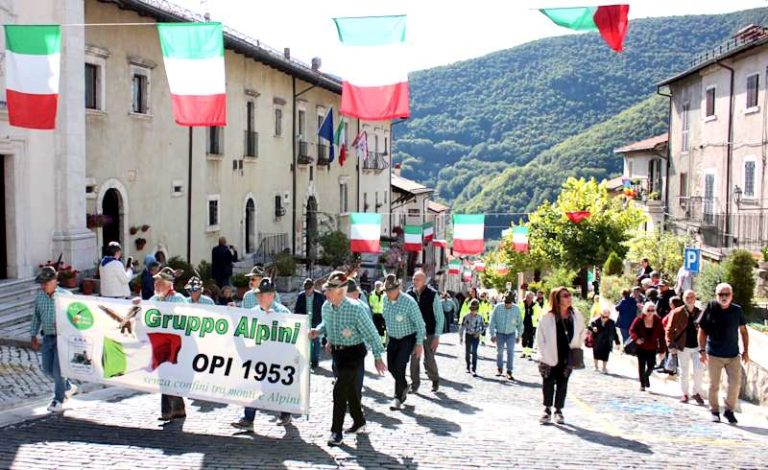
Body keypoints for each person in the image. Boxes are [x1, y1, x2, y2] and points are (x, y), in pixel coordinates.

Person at [308, 272, 386, 447]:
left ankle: (336, 432)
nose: (326, 293)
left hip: (354, 353)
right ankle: (359, 421)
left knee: (339, 390)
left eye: (330, 290)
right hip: (337, 354)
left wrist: (378, 357)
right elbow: (325, 324)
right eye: (326, 289)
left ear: (340, 291)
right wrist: (317, 331)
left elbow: (372, 333)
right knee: (350, 389)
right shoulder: (326, 307)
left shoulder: (356, 309)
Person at [232, 278, 295, 430]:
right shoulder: (253, 312)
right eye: (259, 295)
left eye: (264, 295)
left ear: (272, 295)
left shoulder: (282, 312)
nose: (260, 297)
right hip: (259, 355)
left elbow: (291, 334)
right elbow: (243, 330)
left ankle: (286, 413)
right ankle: (248, 419)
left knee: (278, 386)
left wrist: (276, 321)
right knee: (253, 386)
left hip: (278, 357)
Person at [698, 283, 750, 424]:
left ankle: (729, 411)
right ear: (716, 295)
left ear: (732, 296)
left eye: (727, 294)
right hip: (714, 353)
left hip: (733, 354)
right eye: (721, 294)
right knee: (713, 384)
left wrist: (746, 351)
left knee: (735, 384)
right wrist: (701, 350)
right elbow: (702, 331)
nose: (724, 297)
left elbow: (744, 331)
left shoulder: (737, 310)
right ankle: (714, 411)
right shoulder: (710, 308)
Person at [30, 266, 76, 413]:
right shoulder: (40, 297)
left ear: (55, 281)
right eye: (41, 283)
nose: (43, 286)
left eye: (45, 283)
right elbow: (36, 317)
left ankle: (58, 399)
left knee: (58, 370)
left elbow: (76, 318)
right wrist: (33, 335)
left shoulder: (66, 296)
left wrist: (64, 323)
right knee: (47, 369)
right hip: (47, 337)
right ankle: (67, 386)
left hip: (62, 338)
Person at [536, 287, 585, 425]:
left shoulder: (575, 315)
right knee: (548, 383)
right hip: (549, 355)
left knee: (563, 383)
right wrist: (544, 354)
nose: (569, 298)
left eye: (569, 295)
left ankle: (558, 410)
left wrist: (577, 344)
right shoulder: (547, 316)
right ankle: (547, 409)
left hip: (567, 355)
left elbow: (582, 331)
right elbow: (540, 337)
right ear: (557, 299)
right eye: (565, 296)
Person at [148, 267, 188, 420]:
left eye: (159, 282)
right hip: (159, 344)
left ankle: (169, 411)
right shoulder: (153, 300)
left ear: (168, 284)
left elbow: (187, 320)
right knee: (164, 375)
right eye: (155, 282)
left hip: (175, 344)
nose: (156, 285)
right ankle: (175, 409)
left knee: (169, 375)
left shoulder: (179, 300)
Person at [382, 274, 426, 410]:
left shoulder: (409, 302)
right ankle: (404, 385)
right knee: (391, 367)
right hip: (393, 338)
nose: (388, 293)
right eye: (386, 291)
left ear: (398, 288)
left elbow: (420, 324)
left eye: (391, 290)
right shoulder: (385, 300)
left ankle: (398, 397)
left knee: (400, 367)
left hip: (407, 338)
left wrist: (419, 344)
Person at [406, 271, 444, 393]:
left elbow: (439, 317)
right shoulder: (409, 294)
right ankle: (415, 383)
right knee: (414, 358)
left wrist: (437, 336)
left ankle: (434, 379)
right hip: (414, 332)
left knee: (429, 359)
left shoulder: (433, 294)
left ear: (424, 281)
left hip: (430, 332)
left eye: (417, 279)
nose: (414, 282)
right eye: (413, 279)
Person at [665, 290, 704, 404]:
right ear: (683, 298)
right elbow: (669, 329)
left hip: (697, 346)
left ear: (695, 298)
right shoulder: (677, 312)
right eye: (687, 297)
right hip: (683, 346)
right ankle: (685, 393)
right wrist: (670, 344)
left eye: (692, 297)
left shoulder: (700, 312)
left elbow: (706, 329)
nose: (690, 299)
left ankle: (696, 392)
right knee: (684, 371)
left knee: (699, 369)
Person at [629, 302, 666, 391]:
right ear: (645, 310)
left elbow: (661, 336)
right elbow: (632, 330)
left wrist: (662, 350)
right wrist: (636, 338)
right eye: (648, 310)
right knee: (641, 365)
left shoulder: (657, 320)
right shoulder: (639, 319)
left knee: (651, 365)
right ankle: (642, 384)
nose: (650, 312)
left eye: (652, 310)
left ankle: (646, 377)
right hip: (641, 346)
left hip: (652, 347)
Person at [488, 291, 523, 380]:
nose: (507, 305)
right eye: (506, 302)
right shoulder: (497, 308)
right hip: (500, 333)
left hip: (511, 333)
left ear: (512, 302)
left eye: (509, 303)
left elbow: (520, 324)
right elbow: (492, 322)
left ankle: (509, 371)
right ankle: (499, 368)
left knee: (510, 352)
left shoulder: (516, 309)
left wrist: (519, 336)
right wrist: (492, 335)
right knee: (499, 351)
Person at [295, 278, 324, 370]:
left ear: (313, 287)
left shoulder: (319, 296)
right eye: (306, 289)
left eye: (309, 288)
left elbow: (323, 309)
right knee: (306, 342)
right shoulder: (301, 296)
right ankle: (308, 360)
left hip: (316, 321)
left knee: (316, 342)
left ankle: (315, 361)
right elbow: (297, 310)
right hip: (305, 322)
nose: (307, 290)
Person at [589, 306, 620, 373]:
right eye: (603, 316)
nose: (605, 318)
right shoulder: (596, 321)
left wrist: (617, 343)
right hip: (597, 340)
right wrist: (593, 328)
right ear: (601, 315)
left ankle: (604, 367)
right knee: (596, 354)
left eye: (607, 317)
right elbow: (590, 326)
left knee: (605, 355)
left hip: (607, 341)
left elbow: (614, 333)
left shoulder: (612, 322)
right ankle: (596, 367)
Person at [459, 299, 485, 376]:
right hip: (468, 335)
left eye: (474, 310)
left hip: (476, 336)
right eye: (471, 309)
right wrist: (461, 337)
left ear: (477, 310)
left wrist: (479, 333)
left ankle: (474, 368)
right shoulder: (466, 317)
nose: (472, 311)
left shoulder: (480, 317)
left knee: (474, 352)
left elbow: (483, 328)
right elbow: (462, 326)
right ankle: (468, 366)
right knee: (467, 352)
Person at [519, 291, 542, 359]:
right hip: (523, 323)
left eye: (531, 297)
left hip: (532, 324)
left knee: (531, 338)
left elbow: (539, 313)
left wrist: (538, 319)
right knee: (524, 338)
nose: (529, 299)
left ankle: (529, 354)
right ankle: (524, 352)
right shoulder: (521, 304)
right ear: (526, 297)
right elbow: (518, 313)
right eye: (528, 297)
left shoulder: (536, 305)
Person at [368, 281, 387, 345]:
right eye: (376, 286)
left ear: (382, 287)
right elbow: (371, 303)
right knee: (376, 328)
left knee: (383, 328)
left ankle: (383, 343)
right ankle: (378, 342)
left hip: (383, 314)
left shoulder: (385, 294)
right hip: (375, 314)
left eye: (379, 286)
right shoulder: (371, 294)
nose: (378, 287)